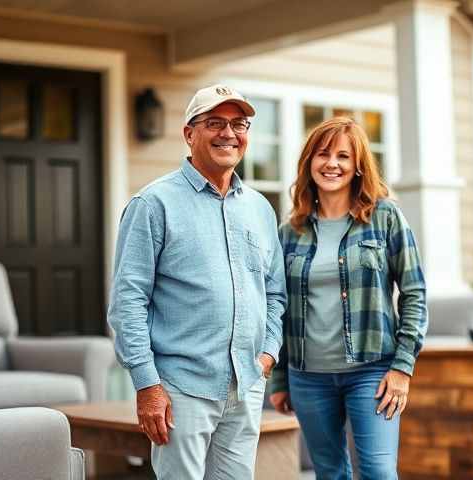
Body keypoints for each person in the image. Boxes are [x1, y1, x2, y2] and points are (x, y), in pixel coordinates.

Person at [108, 84, 286, 479]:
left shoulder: (259, 209)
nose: (228, 133)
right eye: (215, 123)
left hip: (246, 383)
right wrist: (147, 385)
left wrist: (267, 354)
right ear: (190, 133)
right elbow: (128, 302)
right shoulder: (153, 204)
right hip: (180, 388)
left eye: (239, 124)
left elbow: (274, 292)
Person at [269, 117, 428, 479]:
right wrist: (280, 378)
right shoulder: (289, 232)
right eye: (323, 154)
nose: (332, 164)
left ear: (358, 166)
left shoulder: (385, 218)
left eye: (343, 156)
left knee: (377, 472)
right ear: (309, 162)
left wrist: (402, 367)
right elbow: (277, 309)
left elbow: (415, 292)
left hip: (372, 370)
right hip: (308, 377)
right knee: (328, 473)